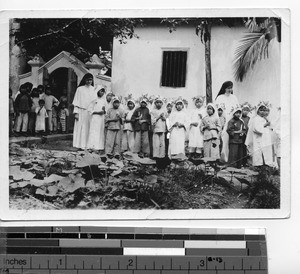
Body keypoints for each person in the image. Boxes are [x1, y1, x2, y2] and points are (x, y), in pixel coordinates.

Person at [215, 81, 239, 162]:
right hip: (223, 121)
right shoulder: (220, 98)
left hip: (233, 121)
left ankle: (232, 159)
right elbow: (216, 110)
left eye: (231, 88)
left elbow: (237, 109)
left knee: (232, 140)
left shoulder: (234, 98)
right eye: (228, 88)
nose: (230, 89)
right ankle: (223, 158)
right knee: (224, 138)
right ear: (224, 88)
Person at [245, 102, 275, 168]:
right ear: (257, 111)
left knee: (266, 150)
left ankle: (267, 163)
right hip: (258, 138)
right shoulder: (256, 119)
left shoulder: (264, 119)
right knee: (258, 152)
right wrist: (265, 125)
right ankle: (258, 165)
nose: (262, 112)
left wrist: (268, 125)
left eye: (264, 110)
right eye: (261, 110)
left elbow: (270, 128)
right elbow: (256, 128)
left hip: (264, 138)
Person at [72, 73, 97, 150]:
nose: (89, 81)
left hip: (90, 112)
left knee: (89, 128)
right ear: (84, 80)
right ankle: (80, 145)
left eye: (90, 80)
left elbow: (95, 102)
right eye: (87, 80)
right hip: (81, 111)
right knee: (81, 129)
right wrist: (76, 112)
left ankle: (89, 146)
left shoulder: (94, 89)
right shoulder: (80, 89)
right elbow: (76, 102)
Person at [87, 88, 106, 152]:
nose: (102, 93)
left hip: (101, 118)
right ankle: (92, 146)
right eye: (101, 91)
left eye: (103, 92)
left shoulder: (103, 100)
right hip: (95, 117)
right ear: (97, 91)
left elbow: (105, 110)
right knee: (94, 131)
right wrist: (97, 112)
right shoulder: (94, 100)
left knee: (100, 132)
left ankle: (99, 147)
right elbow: (89, 110)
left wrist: (104, 111)